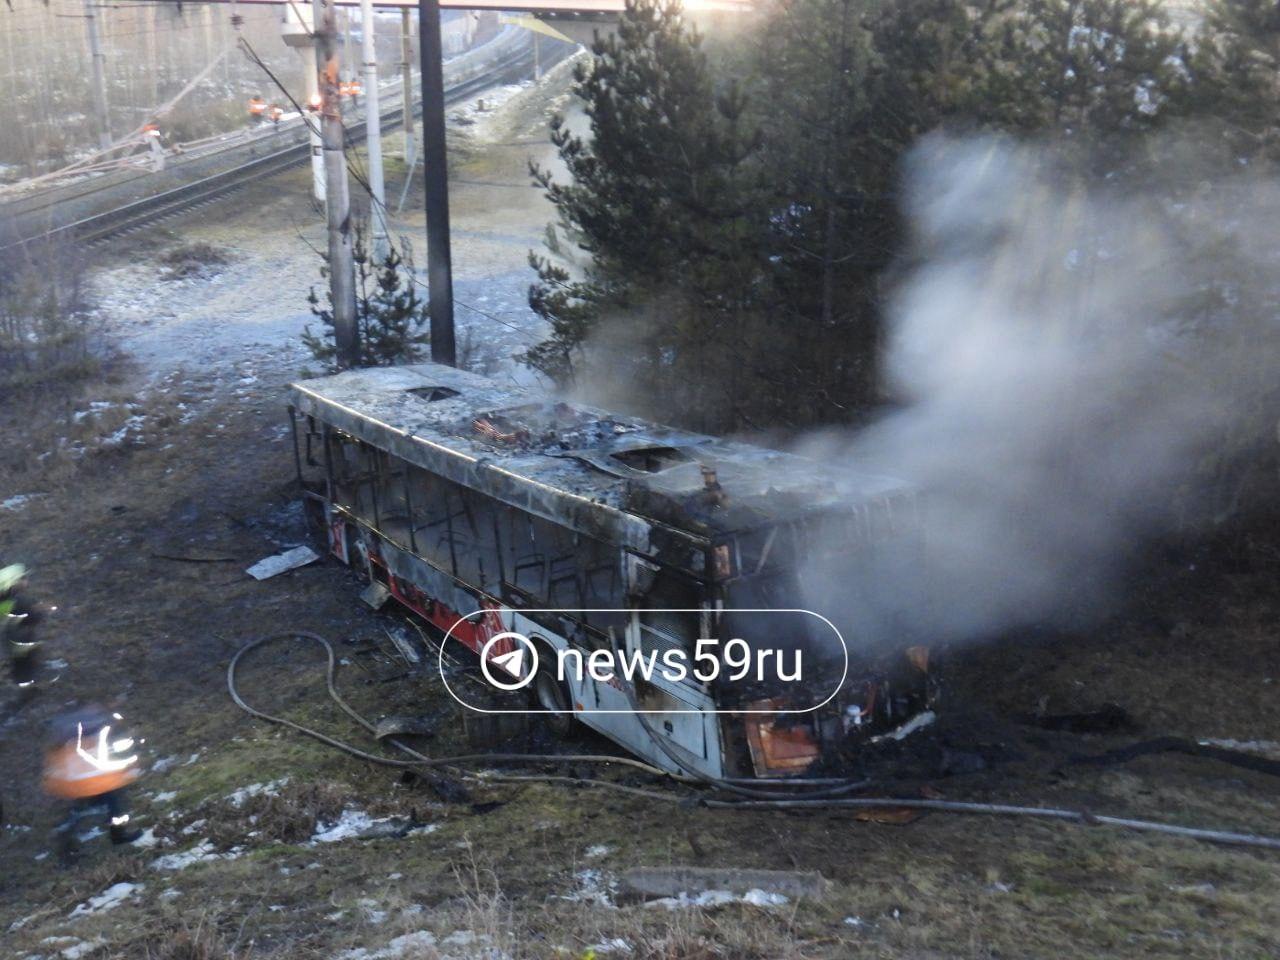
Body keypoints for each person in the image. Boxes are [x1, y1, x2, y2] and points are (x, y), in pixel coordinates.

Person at [44, 706, 142, 857]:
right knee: (113, 804)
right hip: (97, 778)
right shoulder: (93, 725)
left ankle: (66, 840)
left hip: (77, 780)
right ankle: (118, 835)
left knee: (81, 809)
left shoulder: (64, 734)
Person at [0, 564, 43, 689]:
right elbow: (34, 617)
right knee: (25, 663)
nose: (26, 582)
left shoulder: (6, 602)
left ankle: (22, 682)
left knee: (18, 662)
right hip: (21, 637)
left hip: (9, 637)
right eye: (23, 579)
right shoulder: (20, 601)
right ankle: (27, 686)